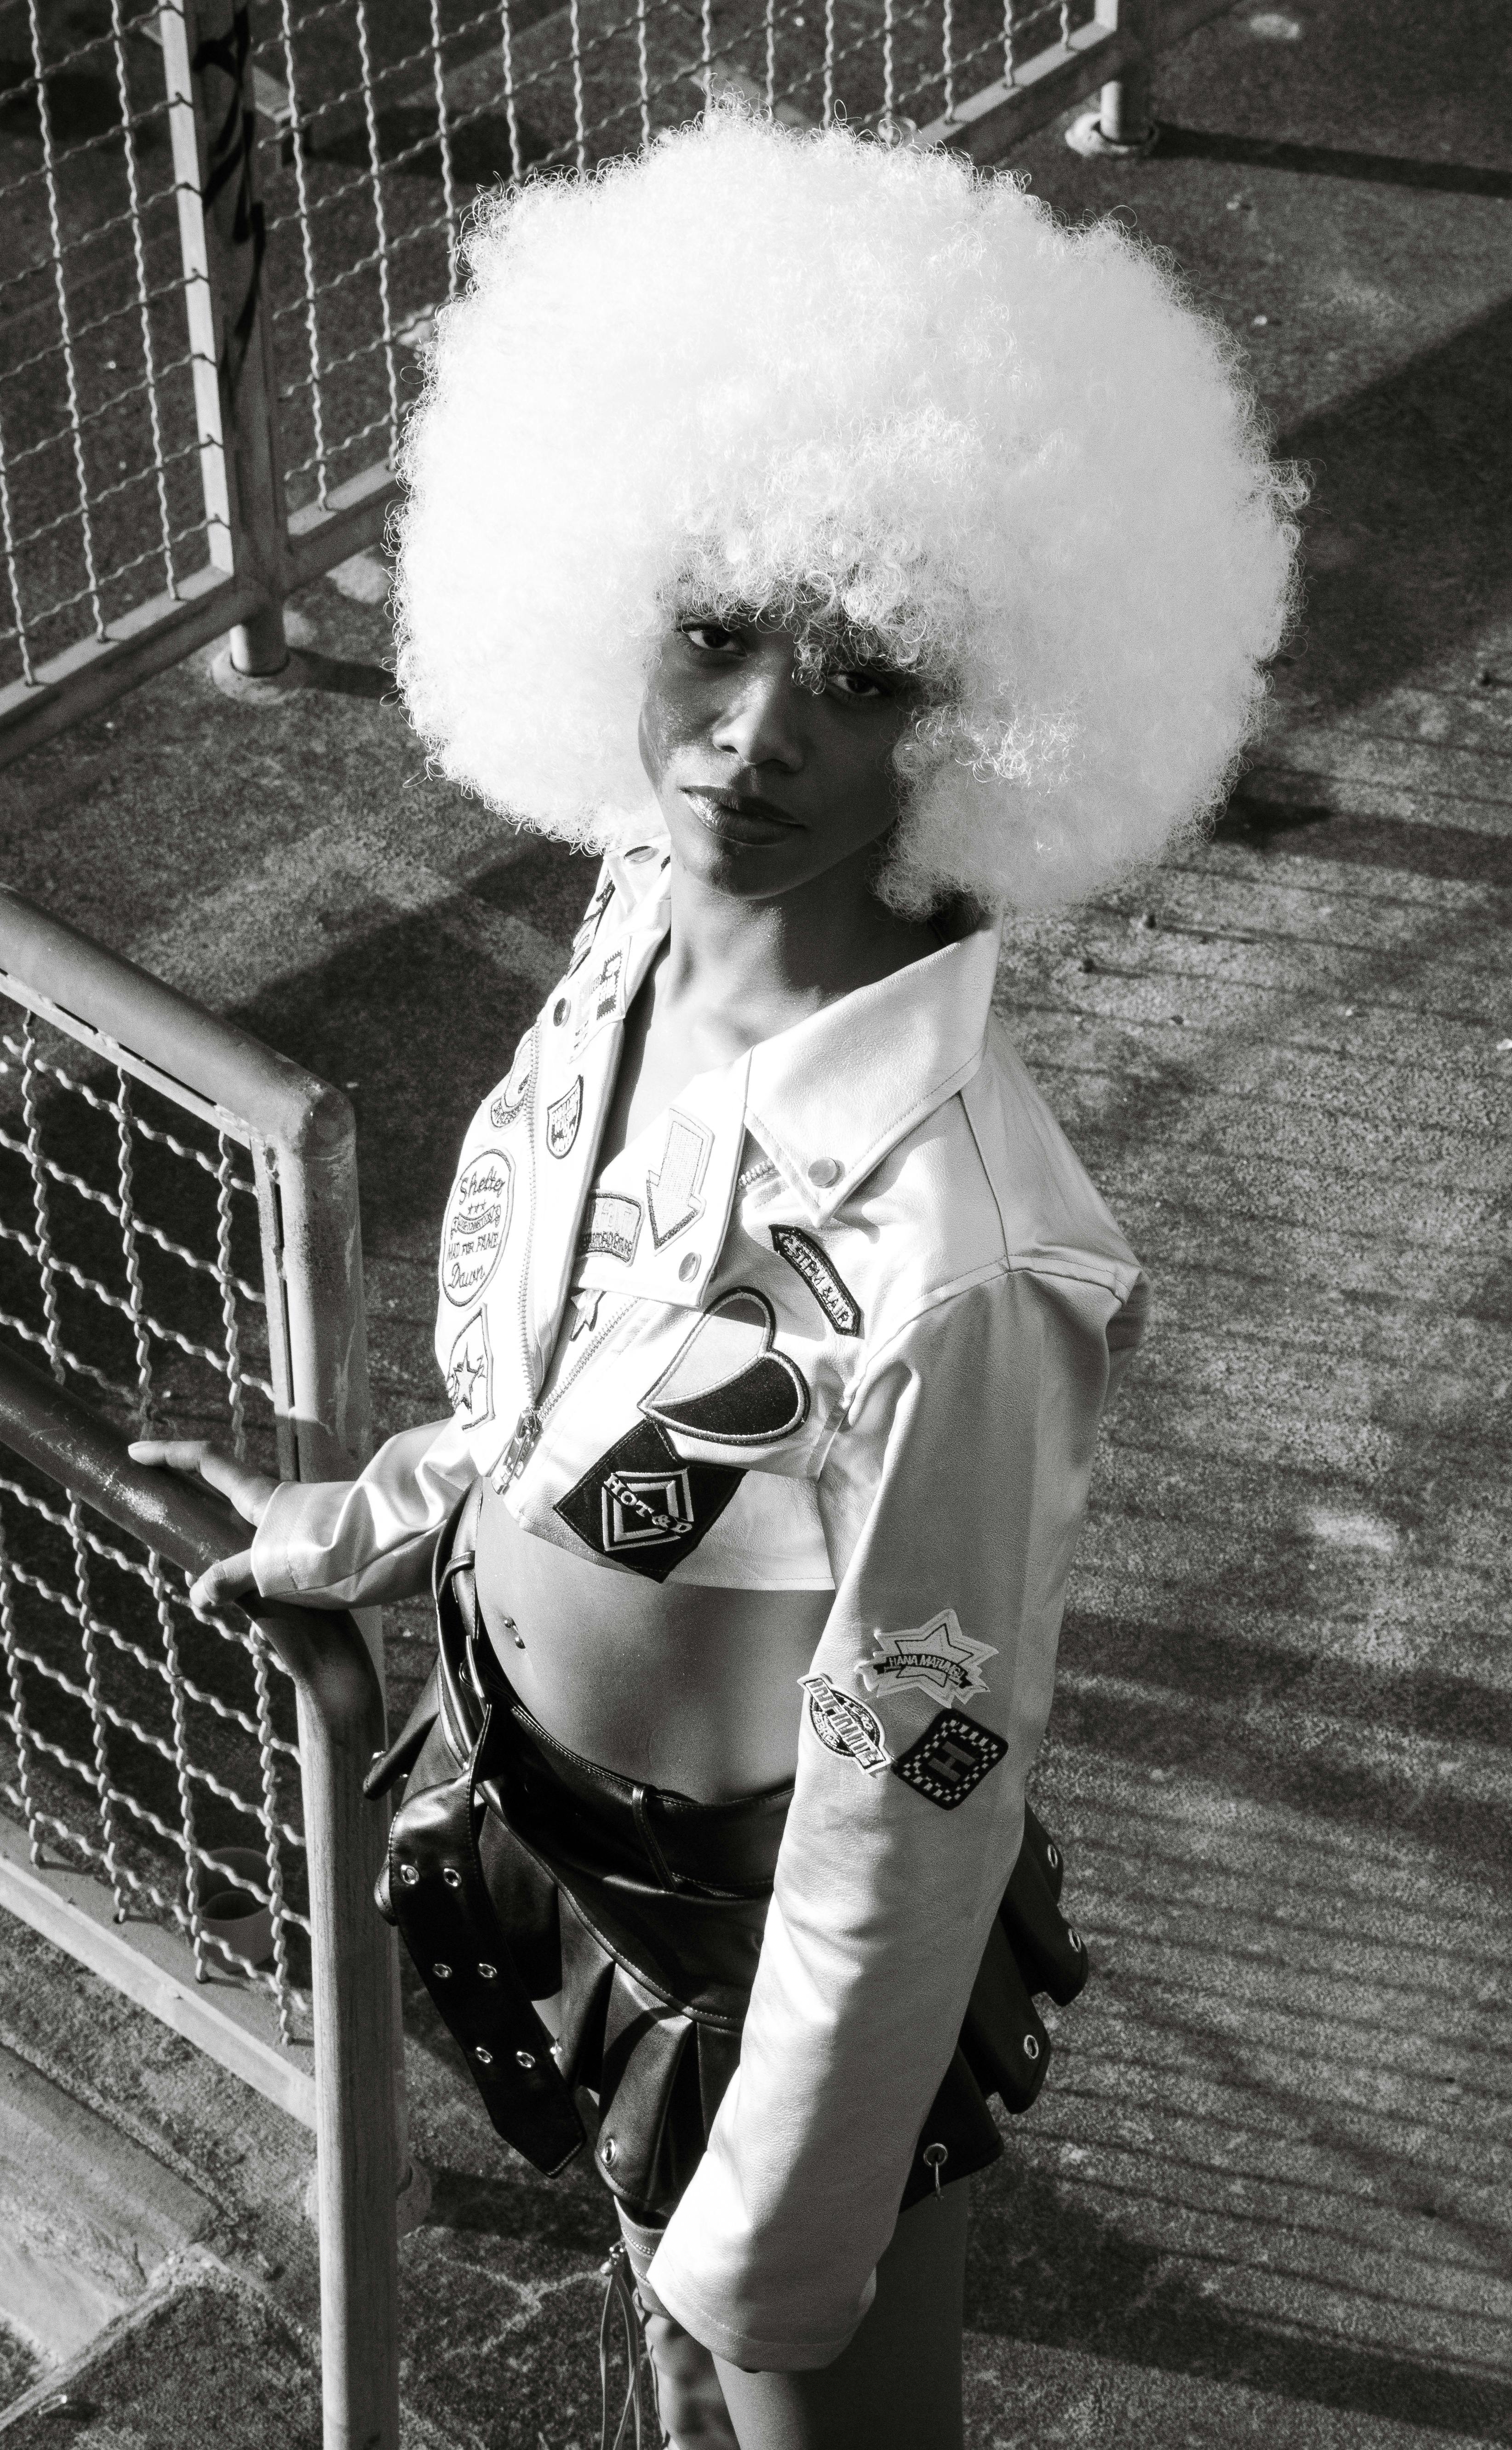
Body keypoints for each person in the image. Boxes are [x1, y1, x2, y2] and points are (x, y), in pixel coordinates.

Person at [135, 103, 1298, 2450]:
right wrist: (370, 1522)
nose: (756, 729)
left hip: (774, 1953)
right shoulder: (637, 919)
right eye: (709, 630)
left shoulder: (963, 1250)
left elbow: (917, 1787)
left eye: (862, 665)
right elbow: (582, 1357)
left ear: (981, 709)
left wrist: (777, 2233)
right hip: (527, 1821)